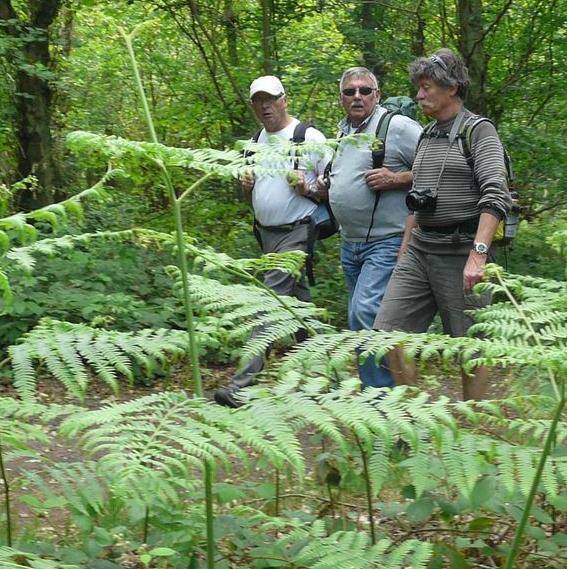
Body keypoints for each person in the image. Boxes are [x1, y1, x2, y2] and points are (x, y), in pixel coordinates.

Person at [372, 50, 512, 401]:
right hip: (421, 250)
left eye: (426, 87)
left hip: (462, 250)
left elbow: (496, 195)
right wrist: (404, 252)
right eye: (418, 88)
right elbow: (417, 199)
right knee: (388, 332)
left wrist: (478, 255)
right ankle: (413, 418)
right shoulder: (427, 134)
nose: (419, 96)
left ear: (452, 88)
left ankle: (474, 429)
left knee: (470, 347)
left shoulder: (478, 131)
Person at [213, 75, 329, 407]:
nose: (264, 106)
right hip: (265, 235)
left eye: (270, 99)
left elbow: (332, 181)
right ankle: (324, 373)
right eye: (258, 101)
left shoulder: (306, 136)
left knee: (266, 303)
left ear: (284, 100)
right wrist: (245, 188)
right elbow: (251, 191)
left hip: (298, 231)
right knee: (297, 307)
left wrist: (307, 187)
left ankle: (242, 385)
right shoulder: (254, 141)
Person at [326, 67, 423, 389]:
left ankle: (382, 403)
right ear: (340, 97)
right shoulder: (342, 133)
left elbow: (438, 163)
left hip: (387, 240)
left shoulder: (396, 126)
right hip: (350, 244)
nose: (357, 96)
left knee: (365, 315)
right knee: (367, 322)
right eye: (349, 91)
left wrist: (397, 179)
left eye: (365, 91)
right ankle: (390, 397)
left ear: (377, 95)